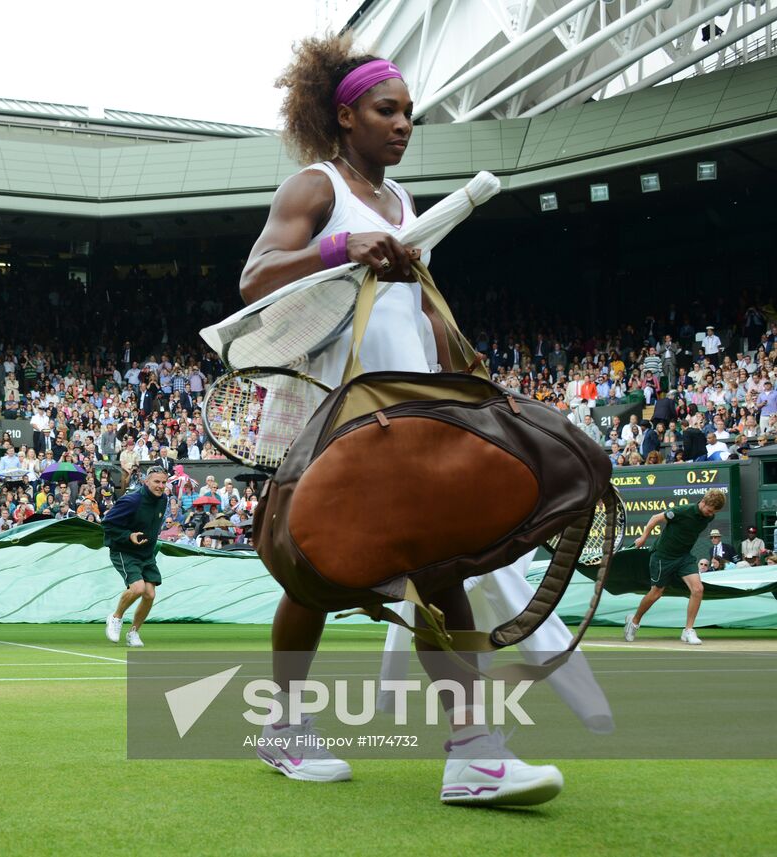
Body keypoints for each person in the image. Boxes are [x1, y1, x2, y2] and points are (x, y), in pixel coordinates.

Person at [235, 36, 562, 807]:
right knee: (321, 579)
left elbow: (416, 304)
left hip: (408, 409)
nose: (404, 124)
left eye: (410, 113)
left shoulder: (406, 203)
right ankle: (302, 729)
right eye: (388, 110)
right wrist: (341, 244)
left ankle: (471, 753)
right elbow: (253, 276)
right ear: (345, 116)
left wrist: (467, 373)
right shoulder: (316, 187)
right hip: (340, 411)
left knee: (439, 563)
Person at [626, 489, 728, 645]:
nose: (710, 514)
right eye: (709, 510)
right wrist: (644, 537)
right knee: (656, 593)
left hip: (684, 557)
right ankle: (634, 621)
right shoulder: (683, 511)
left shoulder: (709, 516)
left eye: (713, 512)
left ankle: (688, 630)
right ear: (703, 502)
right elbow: (655, 518)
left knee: (698, 589)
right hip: (663, 556)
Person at [101, 467, 170, 648]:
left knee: (149, 594)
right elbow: (107, 524)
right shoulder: (132, 500)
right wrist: (128, 536)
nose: (160, 486)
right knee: (138, 588)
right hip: (124, 550)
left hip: (146, 553)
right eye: (156, 482)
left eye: (163, 482)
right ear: (146, 482)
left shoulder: (164, 500)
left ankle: (133, 633)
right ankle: (116, 617)